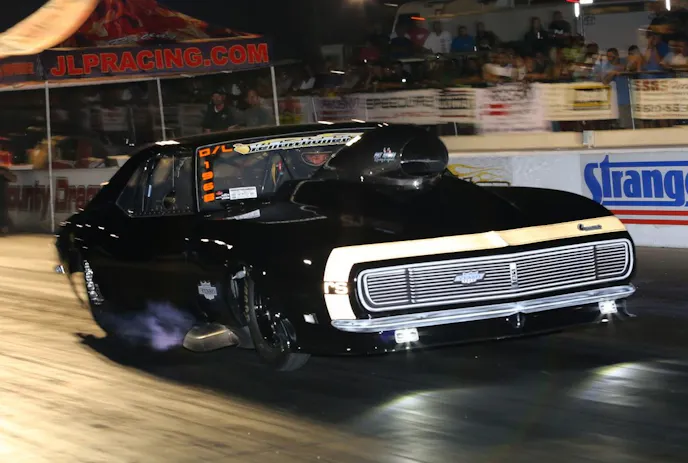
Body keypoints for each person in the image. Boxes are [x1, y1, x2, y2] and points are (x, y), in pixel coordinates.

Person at [0, 165, 17, 235]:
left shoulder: (2, 169)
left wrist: (4, 173)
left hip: (1, 200)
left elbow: (14, 179)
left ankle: (3, 229)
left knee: (4, 225)